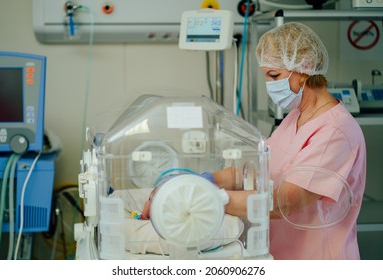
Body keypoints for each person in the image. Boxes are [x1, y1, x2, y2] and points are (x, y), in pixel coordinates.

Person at [142, 22, 366, 260]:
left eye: (275, 75)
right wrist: (197, 181)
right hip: (279, 254)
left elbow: (283, 202)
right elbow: (252, 171)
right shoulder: (296, 118)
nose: (270, 85)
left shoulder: (335, 132)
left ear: (306, 67)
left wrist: (201, 200)